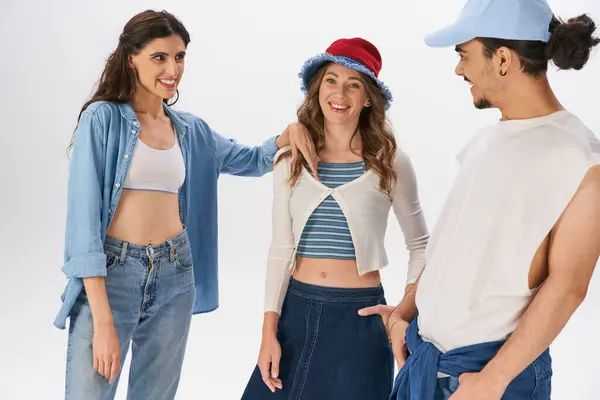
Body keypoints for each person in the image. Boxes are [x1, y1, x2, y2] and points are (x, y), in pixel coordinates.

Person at [54, 10, 317, 400]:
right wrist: (103, 319)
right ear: (132, 58)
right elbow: (83, 224)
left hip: (175, 275)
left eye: (179, 57)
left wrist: (289, 133)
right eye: (159, 57)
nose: (172, 68)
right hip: (112, 277)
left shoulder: (191, 130)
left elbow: (251, 159)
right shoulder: (103, 119)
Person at [359, 0, 600, 399]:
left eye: (464, 55)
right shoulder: (485, 142)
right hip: (429, 364)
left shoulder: (580, 157)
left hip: (485, 379)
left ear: (503, 59)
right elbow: (451, 250)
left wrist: (492, 381)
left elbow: (568, 286)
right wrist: (404, 313)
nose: (459, 69)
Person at [241, 37, 430, 399]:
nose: (339, 92)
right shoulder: (289, 160)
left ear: (368, 97)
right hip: (295, 312)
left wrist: (403, 312)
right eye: (331, 79)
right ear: (317, 88)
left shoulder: (390, 162)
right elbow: (281, 248)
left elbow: (420, 245)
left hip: (359, 318)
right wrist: (269, 332)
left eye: (353, 84)